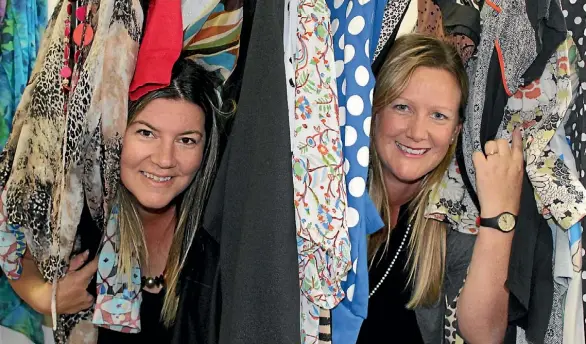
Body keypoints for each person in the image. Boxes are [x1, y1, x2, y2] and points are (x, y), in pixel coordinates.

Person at [6, 58, 224, 343]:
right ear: (115, 135)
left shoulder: (218, 237)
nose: (165, 159)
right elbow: (15, 245)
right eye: (146, 133)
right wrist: (41, 296)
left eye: (186, 140)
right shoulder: (80, 213)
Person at [357, 33, 523, 344]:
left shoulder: (454, 219)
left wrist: (500, 215)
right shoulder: (333, 195)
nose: (417, 132)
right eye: (402, 107)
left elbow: (484, 336)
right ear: (375, 111)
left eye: (438, 116)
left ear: (455, 132)